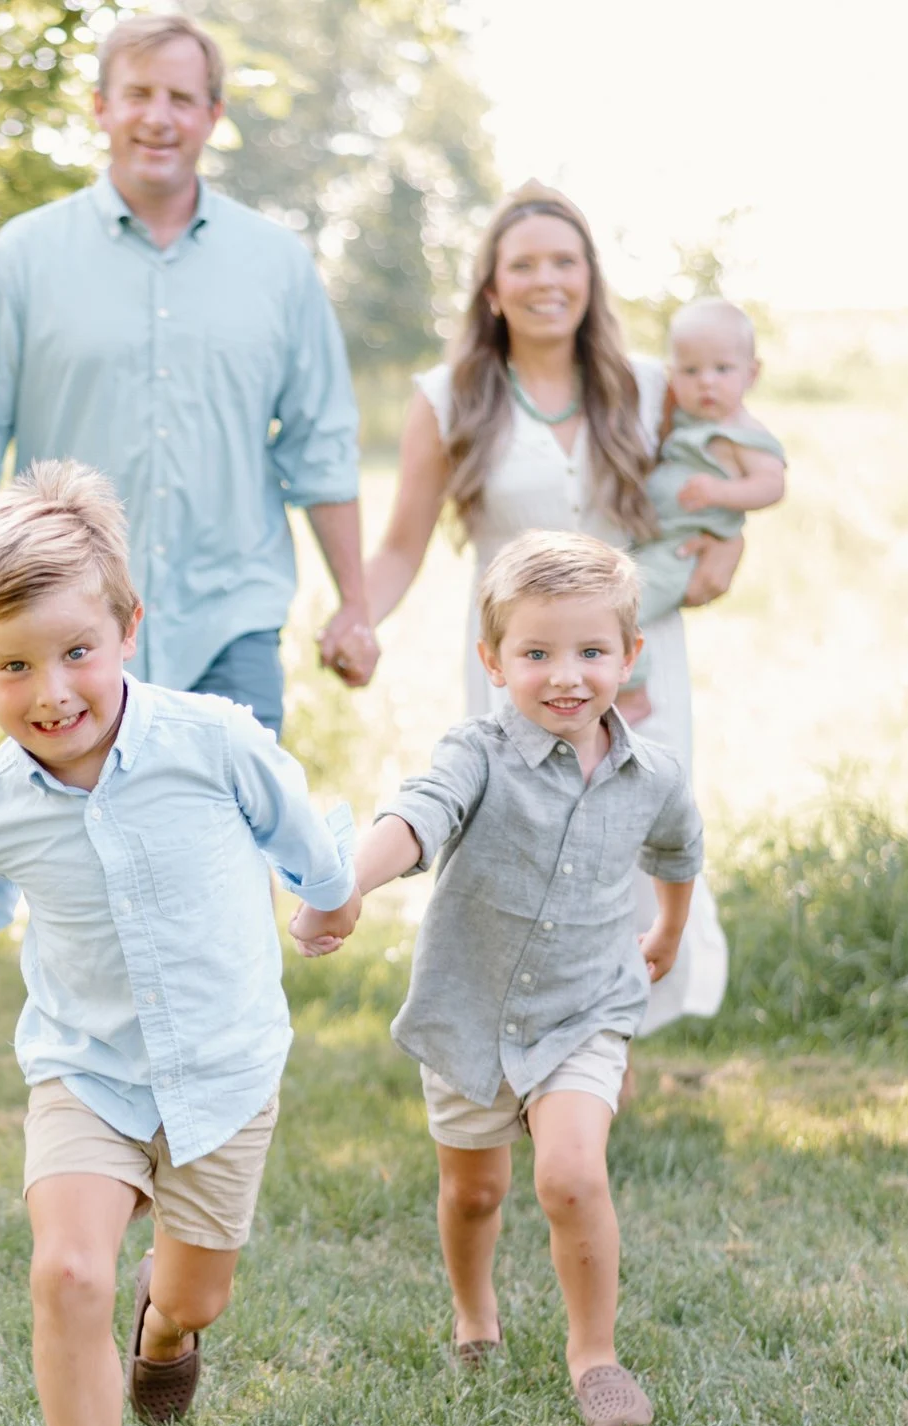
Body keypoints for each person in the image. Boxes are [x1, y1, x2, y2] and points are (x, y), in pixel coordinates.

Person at [0, 461, 357, 1426]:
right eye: (13, 666)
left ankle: (165, 1332)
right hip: (87, 1070)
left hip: (222, 1072)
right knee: (65, 1271)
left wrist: (327, 893)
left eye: (75, 652)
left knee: (194, 1296)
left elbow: (296, 827)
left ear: (127, 628)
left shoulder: (212, 740)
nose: (51, 692)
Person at [290, 532, 700, 1426]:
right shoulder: (476, 752)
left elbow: (679, 848)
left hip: (586, 1008)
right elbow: (417, 815)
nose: (567, 676)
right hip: (471, 1009)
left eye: (592, 651)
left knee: (572, 1173)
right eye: (537, 653)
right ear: (493, 660)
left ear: (630, 654)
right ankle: (475, 1312)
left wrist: (668, 930)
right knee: (475, 1191)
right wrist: (346, 885)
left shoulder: (654, 774)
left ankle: (595, 1356)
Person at [0, 12, 374, 736]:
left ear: (213, 115)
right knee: (78, 817)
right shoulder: (24, 256)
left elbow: (322, 449)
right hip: (61, 634)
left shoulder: (278, 265)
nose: (158, 118)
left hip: (230, 625)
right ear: (101, 107)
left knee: (235, 814)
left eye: (182, 99)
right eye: (138, 94)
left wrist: (355, 603)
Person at [357, 180, 732, 1043]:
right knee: (524, 841)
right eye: (523, 264)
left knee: (633, 832)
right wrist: (356, 620)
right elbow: (401, 546)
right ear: (492, 287)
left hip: (632, 655)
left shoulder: (648, 389)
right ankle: (525, 1039)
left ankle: (607, 1047)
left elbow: (718, 479)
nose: (546, 280)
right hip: (519, 663)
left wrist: (725, 547)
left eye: (565, 261)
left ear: (590, 278)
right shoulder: (447, 398)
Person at [615, 296, 786, 724]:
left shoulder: (742, 433)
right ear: (672, 376)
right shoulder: (688, 421)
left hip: (682, 549)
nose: (706, 383)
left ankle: (634, 691)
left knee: (621, 609)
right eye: (690, 372)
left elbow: (772, 485)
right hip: (654, 540)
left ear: (752, 374)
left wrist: (721, 492)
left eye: (722, 369)